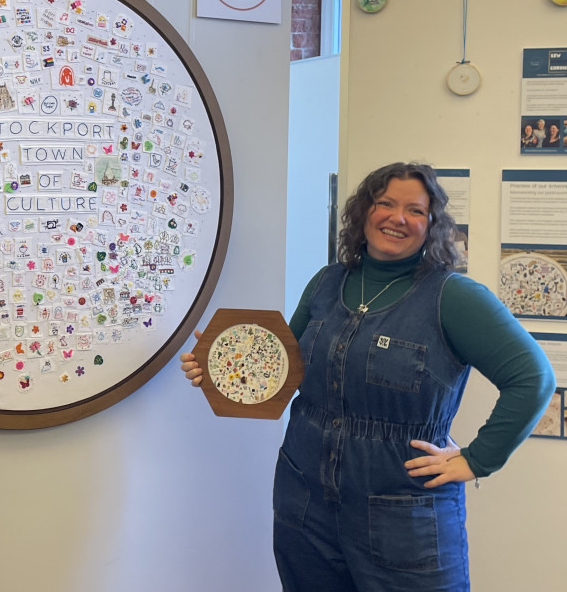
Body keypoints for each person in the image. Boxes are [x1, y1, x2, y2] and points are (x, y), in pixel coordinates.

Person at [180, 162, 554, 592]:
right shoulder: (326, 283)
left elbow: (533, 379)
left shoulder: (455, 298)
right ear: (363, 213)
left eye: (414, 210)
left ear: (431, 225)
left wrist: (477, 459)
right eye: (385, 203)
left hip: (404, 519)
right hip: (305, 505)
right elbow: (283, 368)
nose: (397, 217)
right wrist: (219, 365)